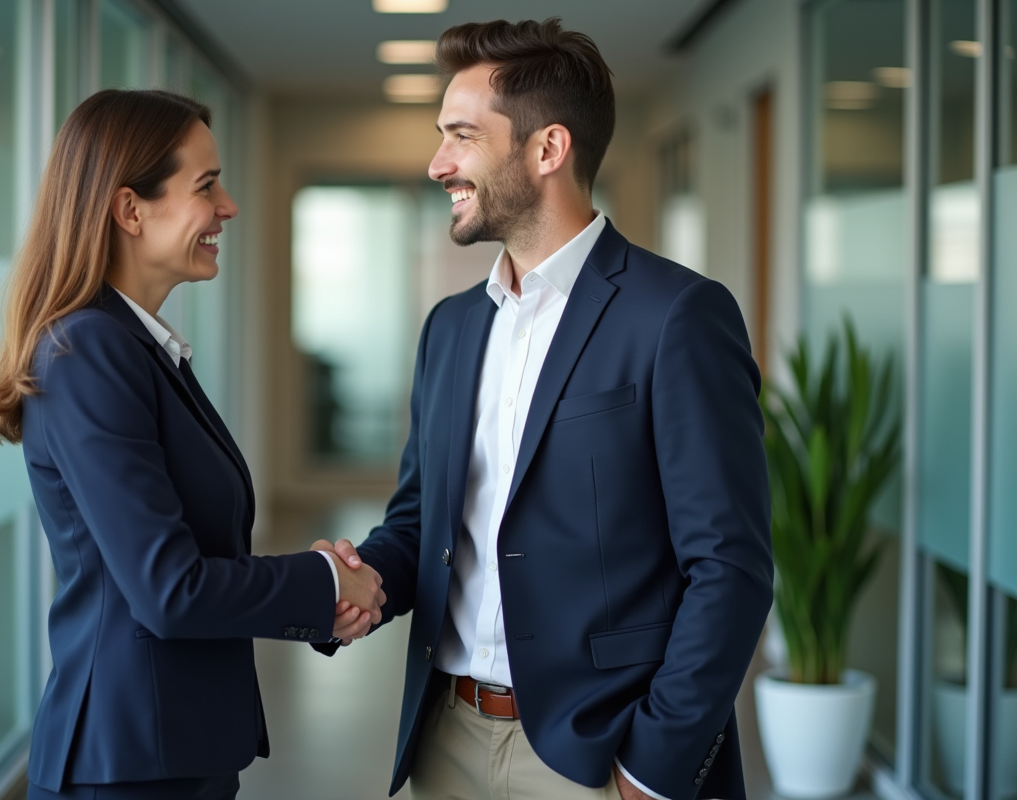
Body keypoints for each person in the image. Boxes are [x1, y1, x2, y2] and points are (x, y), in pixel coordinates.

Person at [314, 18, 773, 800]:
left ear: (548, 149)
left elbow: (729, 567)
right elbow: (422, 521)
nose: (437, 163)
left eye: (461, 136)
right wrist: (344, 581)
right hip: (447, 739)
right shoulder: (451, 327)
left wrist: (650, 770)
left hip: (599, 755)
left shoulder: (678, 316)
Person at [0, 89, 384, 800]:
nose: (228, 207)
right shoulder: (89, 351)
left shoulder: (135, 346)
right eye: (206, 186)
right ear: (130, 209)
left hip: (169, 748)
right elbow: (169, 589)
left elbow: (191, 555)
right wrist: (321, 586)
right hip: (128, 761)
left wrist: (322, 591)